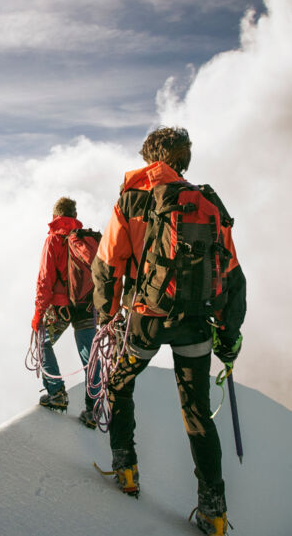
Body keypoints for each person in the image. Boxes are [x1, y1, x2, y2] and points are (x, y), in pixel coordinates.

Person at [91, 127, 246, 536]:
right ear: (184, 159)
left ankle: (126, 471)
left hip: (147, 318)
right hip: (196, 321)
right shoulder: (207, 202)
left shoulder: (132, 198)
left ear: (150, 159)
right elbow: (232, 274)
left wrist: (107, 315)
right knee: (197, 413)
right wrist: (229, 337)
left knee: (119, 385)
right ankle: (213, 512)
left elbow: (108, 263)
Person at [31, 196, 101, 428]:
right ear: (74, 215)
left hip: (61, 307)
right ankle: (94, 409)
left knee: (43, 341)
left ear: (55, 216)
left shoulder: (54, 239)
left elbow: (45, 279)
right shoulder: (84, 240)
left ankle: (56, 394)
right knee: (90, 357)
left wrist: (38, 314)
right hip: (87, 306)